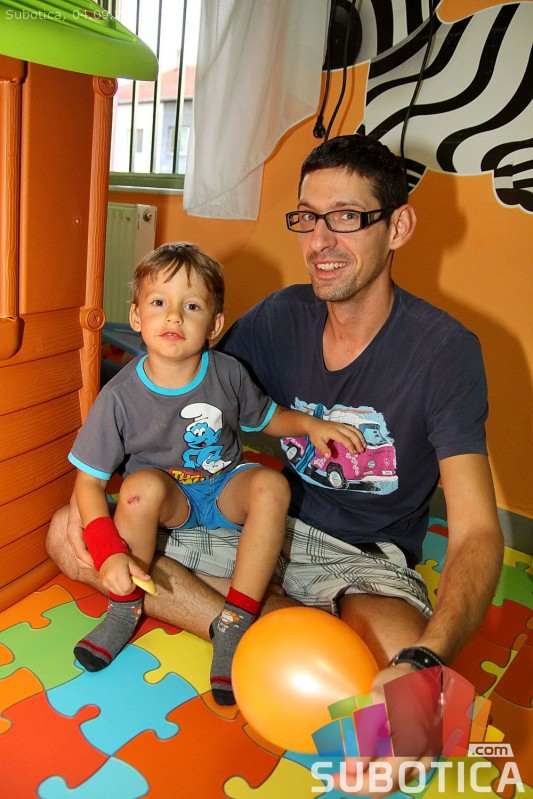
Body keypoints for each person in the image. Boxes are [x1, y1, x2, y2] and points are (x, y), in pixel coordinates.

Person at [47, 134, 503, 794]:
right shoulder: (278, 317)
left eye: (346, 216)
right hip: (253, 531)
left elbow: (478, 531)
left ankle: (260, 620)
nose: (320, 240)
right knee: (69, 532)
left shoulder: (444, 351)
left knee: (411, 729)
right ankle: (248, 623)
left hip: (360, 560)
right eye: (307, 217)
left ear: (398, 226)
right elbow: (184, 389)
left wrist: (423, 658)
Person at [66, 241, 364, 706]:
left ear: (214, 325)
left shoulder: (227, 371)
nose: (174, 316)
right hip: (170, 499)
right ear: (137, 316)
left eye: (191, 306)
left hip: (224, 485)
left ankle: (234, 621)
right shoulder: (119, 396)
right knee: (138, 489)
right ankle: (125, 609)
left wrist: (310, 425)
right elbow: (89, 481)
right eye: (159, 303)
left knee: (271, 484)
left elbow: (268, 418)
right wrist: (107, 554)